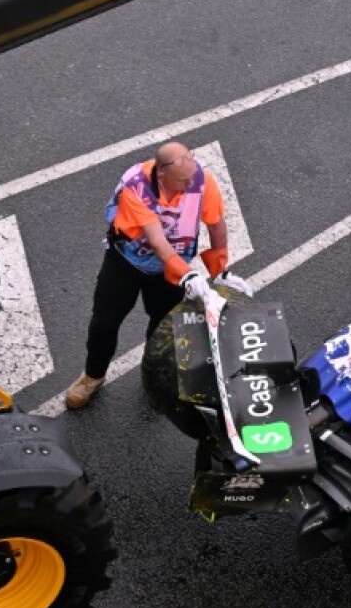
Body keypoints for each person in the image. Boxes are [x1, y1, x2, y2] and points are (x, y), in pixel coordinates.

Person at [65, 141, 251, 408]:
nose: (190, 186)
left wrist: (219, 270)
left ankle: (152, 378)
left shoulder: (200, 180)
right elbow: (156, 240)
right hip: (126, 262)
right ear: (162, 175)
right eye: (182, 181)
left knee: (162, 328)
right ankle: (93, 376)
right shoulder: (135, 185)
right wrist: (187, 275)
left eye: (192, 177)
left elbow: (216, 225)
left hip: (170, 270)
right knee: (104, 323)